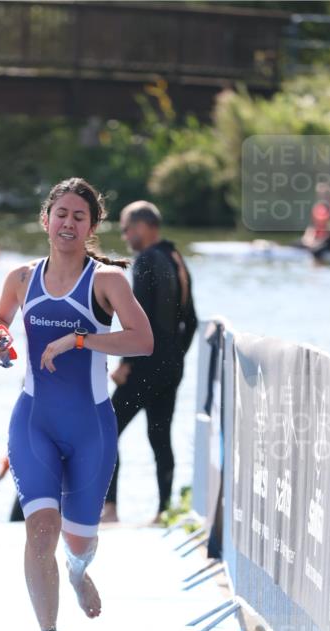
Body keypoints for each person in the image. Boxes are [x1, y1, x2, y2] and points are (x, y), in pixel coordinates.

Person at [0, 177, 153, 631]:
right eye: (61, 214)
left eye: (80, 216)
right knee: (39, 528)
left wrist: (80, 341)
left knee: (79, 538)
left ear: (92, 227)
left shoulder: (107, 282)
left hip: (91, 429)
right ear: (46, 220)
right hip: (33, 420)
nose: (68, 223)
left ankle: (78, 572)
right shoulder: (20, 278)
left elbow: (143, 341)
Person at [102, 200, 197, 524]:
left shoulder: (145, 261)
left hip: (144, 365)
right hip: (171, 367)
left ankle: (110, 509)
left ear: (144, 226)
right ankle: (163, 511)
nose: (126, 234)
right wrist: (174, 357)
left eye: (128, 228)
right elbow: (192, 321)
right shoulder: (176, 259)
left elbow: (139, 320)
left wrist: (127, 362)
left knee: (106, 431)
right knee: (160, 438)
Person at [299, 182, 330, 260]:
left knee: (315, 251)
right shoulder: (318, 208)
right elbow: (312, 226)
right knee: (296, 244)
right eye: (320, 194)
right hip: (317, 240)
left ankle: (318, 271)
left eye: (325, 194)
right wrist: (307, 239)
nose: (322, 196)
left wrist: (317, 243)